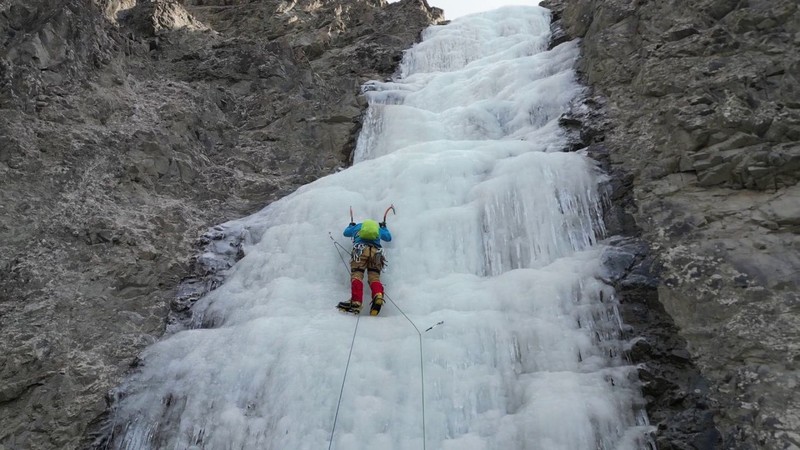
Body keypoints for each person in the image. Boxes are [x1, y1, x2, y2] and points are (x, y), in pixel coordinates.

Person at [336, 218, 392, 315]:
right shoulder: (378, 229)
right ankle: (378, 294)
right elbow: (388, 237)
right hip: (376, 253)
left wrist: (351, 225)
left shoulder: (357, 227)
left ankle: (356, 301)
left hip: (360, 250)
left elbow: (346, 233)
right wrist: (384, 228)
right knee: (374, 277)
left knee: (357, 275)